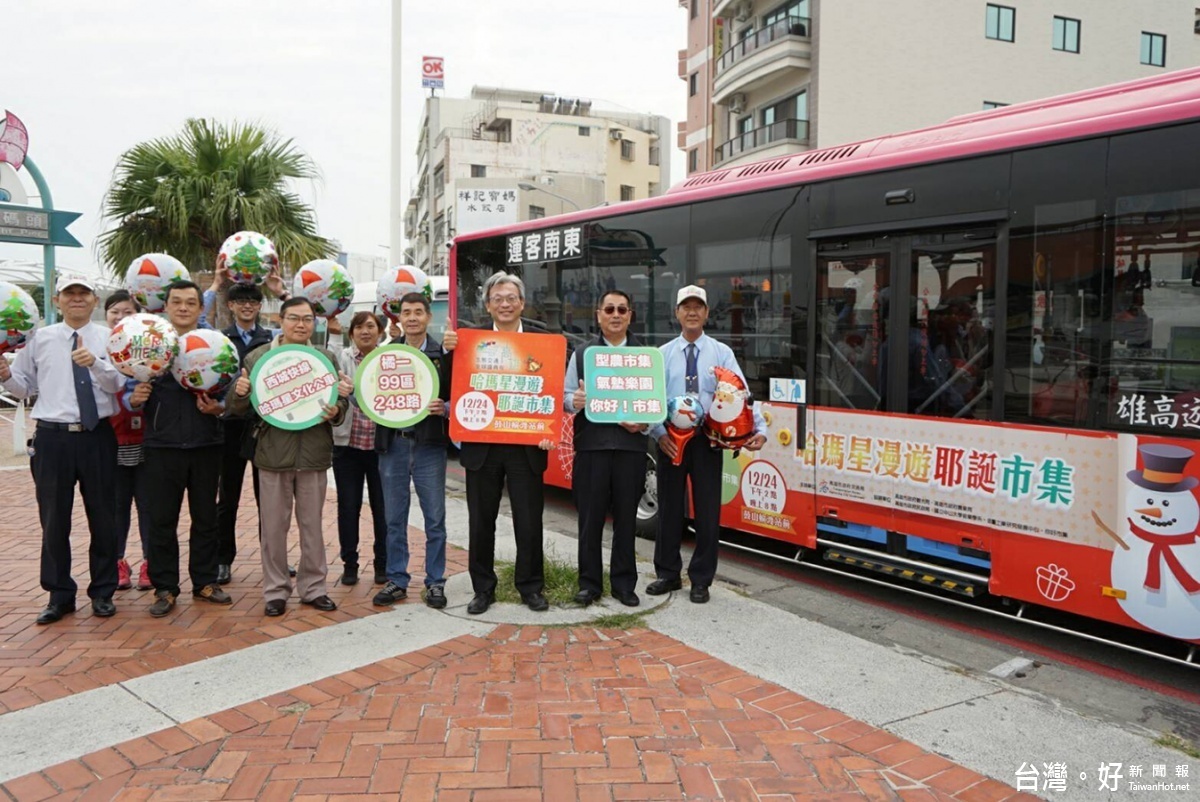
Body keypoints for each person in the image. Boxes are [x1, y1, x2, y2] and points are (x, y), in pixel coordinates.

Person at [1, 274, 124, 624]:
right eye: (69, 294)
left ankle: (103, 591)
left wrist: (96, 364)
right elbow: (23, 388)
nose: (76, 299)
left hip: (96, 435)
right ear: (57, 301)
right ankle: (59, 593)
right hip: (53, 438)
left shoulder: (110, 338)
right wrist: (6, 375)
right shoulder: (40, 338)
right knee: (54, 519)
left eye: (83, 293)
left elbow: (118, 382)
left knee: (103, 516)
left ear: (94, 300)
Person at [227, 297, 350, 617]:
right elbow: (237, 408)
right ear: (280, 321)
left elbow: (339, 405)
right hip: (272, 455)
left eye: (307, 319)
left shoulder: (324, 358)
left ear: (314, 324)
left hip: (314, 455)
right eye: (294, 318)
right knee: (273, 527)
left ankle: (314, 588)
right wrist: (239, 394)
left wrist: (337, 410)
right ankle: (276, 591)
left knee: (312, 526)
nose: (300, 325)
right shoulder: (258, 358)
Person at [442, 271, 555, 614]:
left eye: (511, 298)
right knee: (481, 521)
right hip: (483, 447)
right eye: (498, 299)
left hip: (526, 448)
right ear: (488, 306)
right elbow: (449, 387)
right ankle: (483, 589)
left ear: (522, 303)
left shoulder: (543, 342)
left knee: (529, 520)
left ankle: (531, 587)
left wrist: (549, 430)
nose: (505, 304)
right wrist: (449, 353)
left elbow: (549, 392)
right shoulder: (468, 342)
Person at [646, 285, 766, 604]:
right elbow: (652, 400)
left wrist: (760, 429)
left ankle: (701, 579)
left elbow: (740, 395)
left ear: (707, 313)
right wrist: (658, 433)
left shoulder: (721, 353)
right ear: (677, 313)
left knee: (707, 511)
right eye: (686, 306)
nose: (692, 312)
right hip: (671, 440)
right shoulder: (662, 354)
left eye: (698, 306)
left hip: (708, 441)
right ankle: (668, 574)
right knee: (670, 508)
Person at [130, 281, 233, 617]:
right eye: (178, 302)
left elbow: (230, 389)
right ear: (166, 306)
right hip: (162, 446)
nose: (185, 308)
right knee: (162, 519)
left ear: (200, 309)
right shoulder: (150, 347)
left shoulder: (215, 345)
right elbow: (129, 388)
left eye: (191, 302)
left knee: (206, 518)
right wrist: (134, 399)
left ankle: (204, 581)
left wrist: (219, 409)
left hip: (206, 444)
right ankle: (165, 587)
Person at [563, 290, 646, 608]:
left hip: (631, 449)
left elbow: (656, 405)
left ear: (630, 315)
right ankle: (589, 584)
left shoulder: (645, 356)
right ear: (598, 314)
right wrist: (576, 401)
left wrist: (644, 424)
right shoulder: (583, 354)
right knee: (590, 520)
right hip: (592, 448)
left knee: (626, 520)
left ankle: (625, 584)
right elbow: (566, 398)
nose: (615, 314)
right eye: (609, 309)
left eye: (622, 309)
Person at [372, 294, 452, 609]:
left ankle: (435, 581)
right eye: (407, 313)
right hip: (394, 444)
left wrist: (443, 408)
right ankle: (397, 579)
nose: (413, 318)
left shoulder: (443, 353)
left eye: (419, 312)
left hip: (429, 445)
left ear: (428, 317)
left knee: (435, 518)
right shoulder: (386, 355)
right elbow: (370, 394)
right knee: (394, 517)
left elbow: (459, 394)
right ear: (399, 319)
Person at [215, 281, 274, 584]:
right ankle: (223, 559)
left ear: (259, 306)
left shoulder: (272, 339)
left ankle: (272, 558)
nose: (247, 306)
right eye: (241, 301)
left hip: (263, 427)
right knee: (228, 497)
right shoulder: (221, 340)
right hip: (230, 427)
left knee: (268, 498)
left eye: (253, 301)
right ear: (231, 306)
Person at [333, 311, 388, 587]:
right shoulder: (342, 359)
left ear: (380, 331)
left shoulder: (389, 359)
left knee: (383, 508)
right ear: (351, 332)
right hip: (348, 447)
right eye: (359, 327)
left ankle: (382, 564)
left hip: (381, 448)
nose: (365, 332)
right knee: (348, 506)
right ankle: (350, 564)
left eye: (371, 326)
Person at [104, 291, 152, 592]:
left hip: (147, 441)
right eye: (114, 312)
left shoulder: (151, 350)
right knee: (115, 508)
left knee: (150, 507)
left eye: (127, 312)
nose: (121, 318)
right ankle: (117, 561)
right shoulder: (96, 349)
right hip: (111, 441)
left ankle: (151, 562)